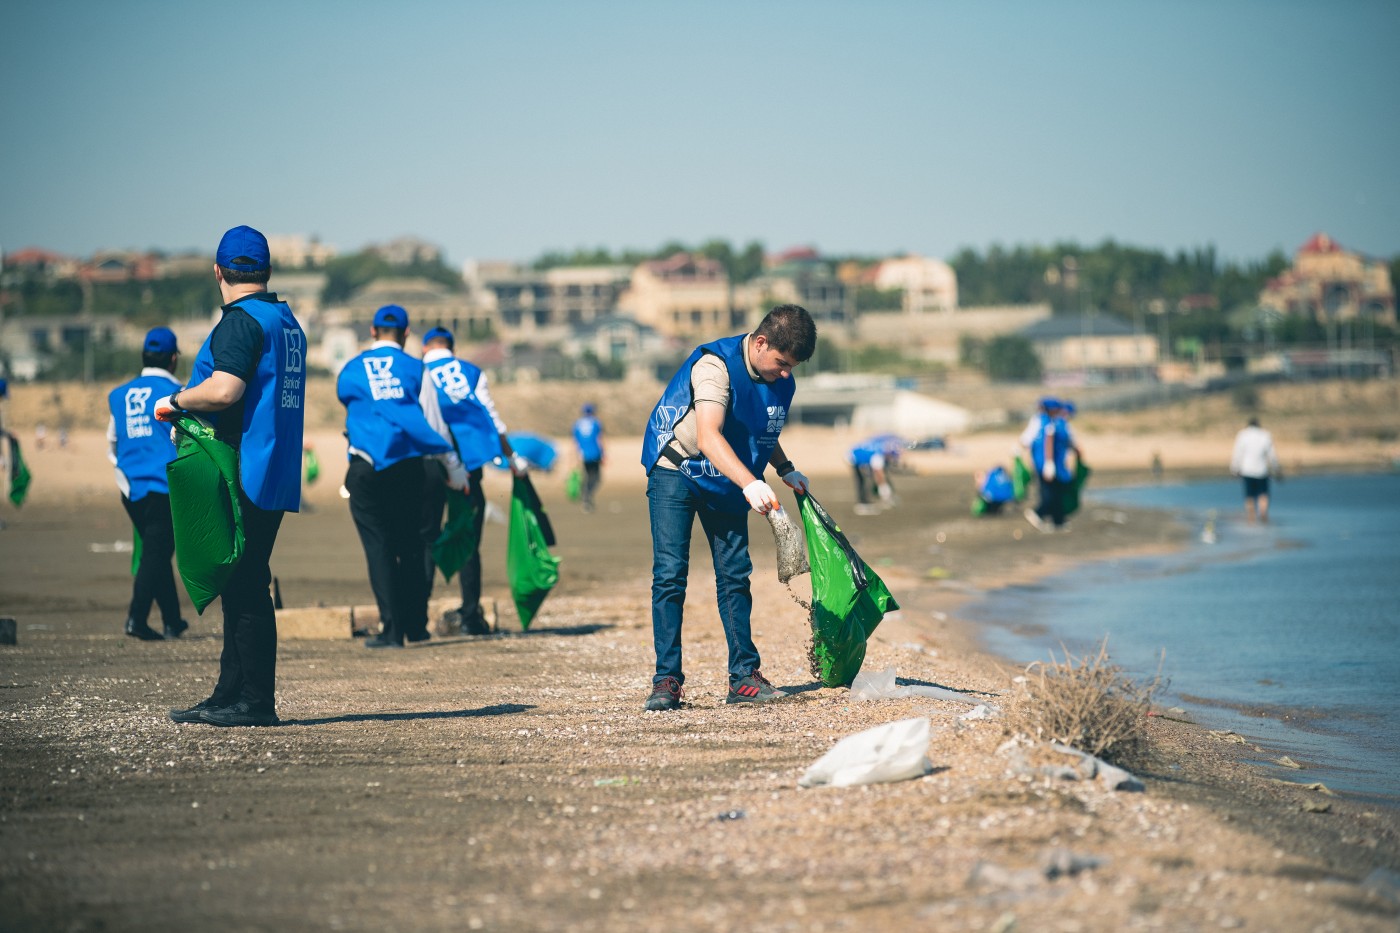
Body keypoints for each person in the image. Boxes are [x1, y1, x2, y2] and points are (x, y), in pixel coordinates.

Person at [161, 225, 305, 727]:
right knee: (241, 581)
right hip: (275, 466)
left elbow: (225, 390)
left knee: (245, 584)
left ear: (218, 271)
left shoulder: (241, 321)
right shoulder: (285, 320)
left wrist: (176, 400)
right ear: (267, 271)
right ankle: (230, 693)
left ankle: (256, 701)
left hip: (245, 467)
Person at [639, 304, 817, 711]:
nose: (785, 374)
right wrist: (750, 483)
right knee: (670, 575)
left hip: (726, 475)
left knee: (735, 575)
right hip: (677, 470)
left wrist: (785, 468)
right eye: (782, 363)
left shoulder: (778, 378)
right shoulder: (714, 367)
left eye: (792, 367)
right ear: (760, 343)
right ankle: (667, 680)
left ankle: (744, 677)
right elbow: (708, 436)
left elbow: (759, 426)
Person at [339, 306, 468, 649]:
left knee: (378, 548)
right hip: (407, 466)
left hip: (364, 467)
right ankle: (414, 624)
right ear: (407, 333)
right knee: (410, 547)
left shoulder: (350, 369)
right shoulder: (416, 369)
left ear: (372, 331)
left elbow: (351, 410)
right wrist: (453, 465)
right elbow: (434, 423)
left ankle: (391, 629)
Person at [418, 325, 523, 635]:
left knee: (426, 539)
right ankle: (470, 617)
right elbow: (492, 419)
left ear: (425, 348)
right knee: (468, 540)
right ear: (453, 349)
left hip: (429, 465)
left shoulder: (416, 371)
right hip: (467, 467)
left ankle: (416, 617)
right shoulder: (471, 372)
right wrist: (512, 458)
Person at [107, 326, 188, 641]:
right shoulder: (179, 393)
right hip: (165, 488)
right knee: (156, 554)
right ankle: (136, 619)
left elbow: (112, 443)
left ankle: (172, 621)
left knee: (157, 551)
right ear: (173, 358)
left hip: (130, 489)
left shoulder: (119, 395)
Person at [1021, 397, 1078, 531]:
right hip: (1045, 464)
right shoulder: (1044, 422)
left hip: (1055, 465)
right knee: (1049, 493)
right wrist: (1049, 463)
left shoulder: (1053, 422)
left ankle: (1058, 520)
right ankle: (1039, 513)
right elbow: (1047, 442)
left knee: (1056, 492)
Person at [1230, 416, 1281, 523]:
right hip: (1262, 470)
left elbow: (1237, 454)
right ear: (1258, 425)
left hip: (1247, 470)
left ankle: (1251, 517)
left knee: (1249, 495)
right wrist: (1276, 468)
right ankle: (1263, 515)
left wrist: (1234, 469)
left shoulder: (1242, 435)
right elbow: (1272, 455)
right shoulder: (1265, 435)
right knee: (1263, 494)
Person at [571, 402, 605, 512]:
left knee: (587, 475)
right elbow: (599, 439)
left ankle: (585, 495)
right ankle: (587, 495)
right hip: (595, 453)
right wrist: (604, 454)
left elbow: (575, 442)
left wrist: (575, 456)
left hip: (583, 454)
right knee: (596, 478)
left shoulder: (577, 424)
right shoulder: (596, 423)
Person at [849, 439, 895, 514]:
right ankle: (862, 504)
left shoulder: (879, 451)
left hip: (856, 456)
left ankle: (864, 502)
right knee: (862, 481)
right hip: (853, 457)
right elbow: (879, 475)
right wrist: (884, 489)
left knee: (866, 479)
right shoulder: (878, 456)